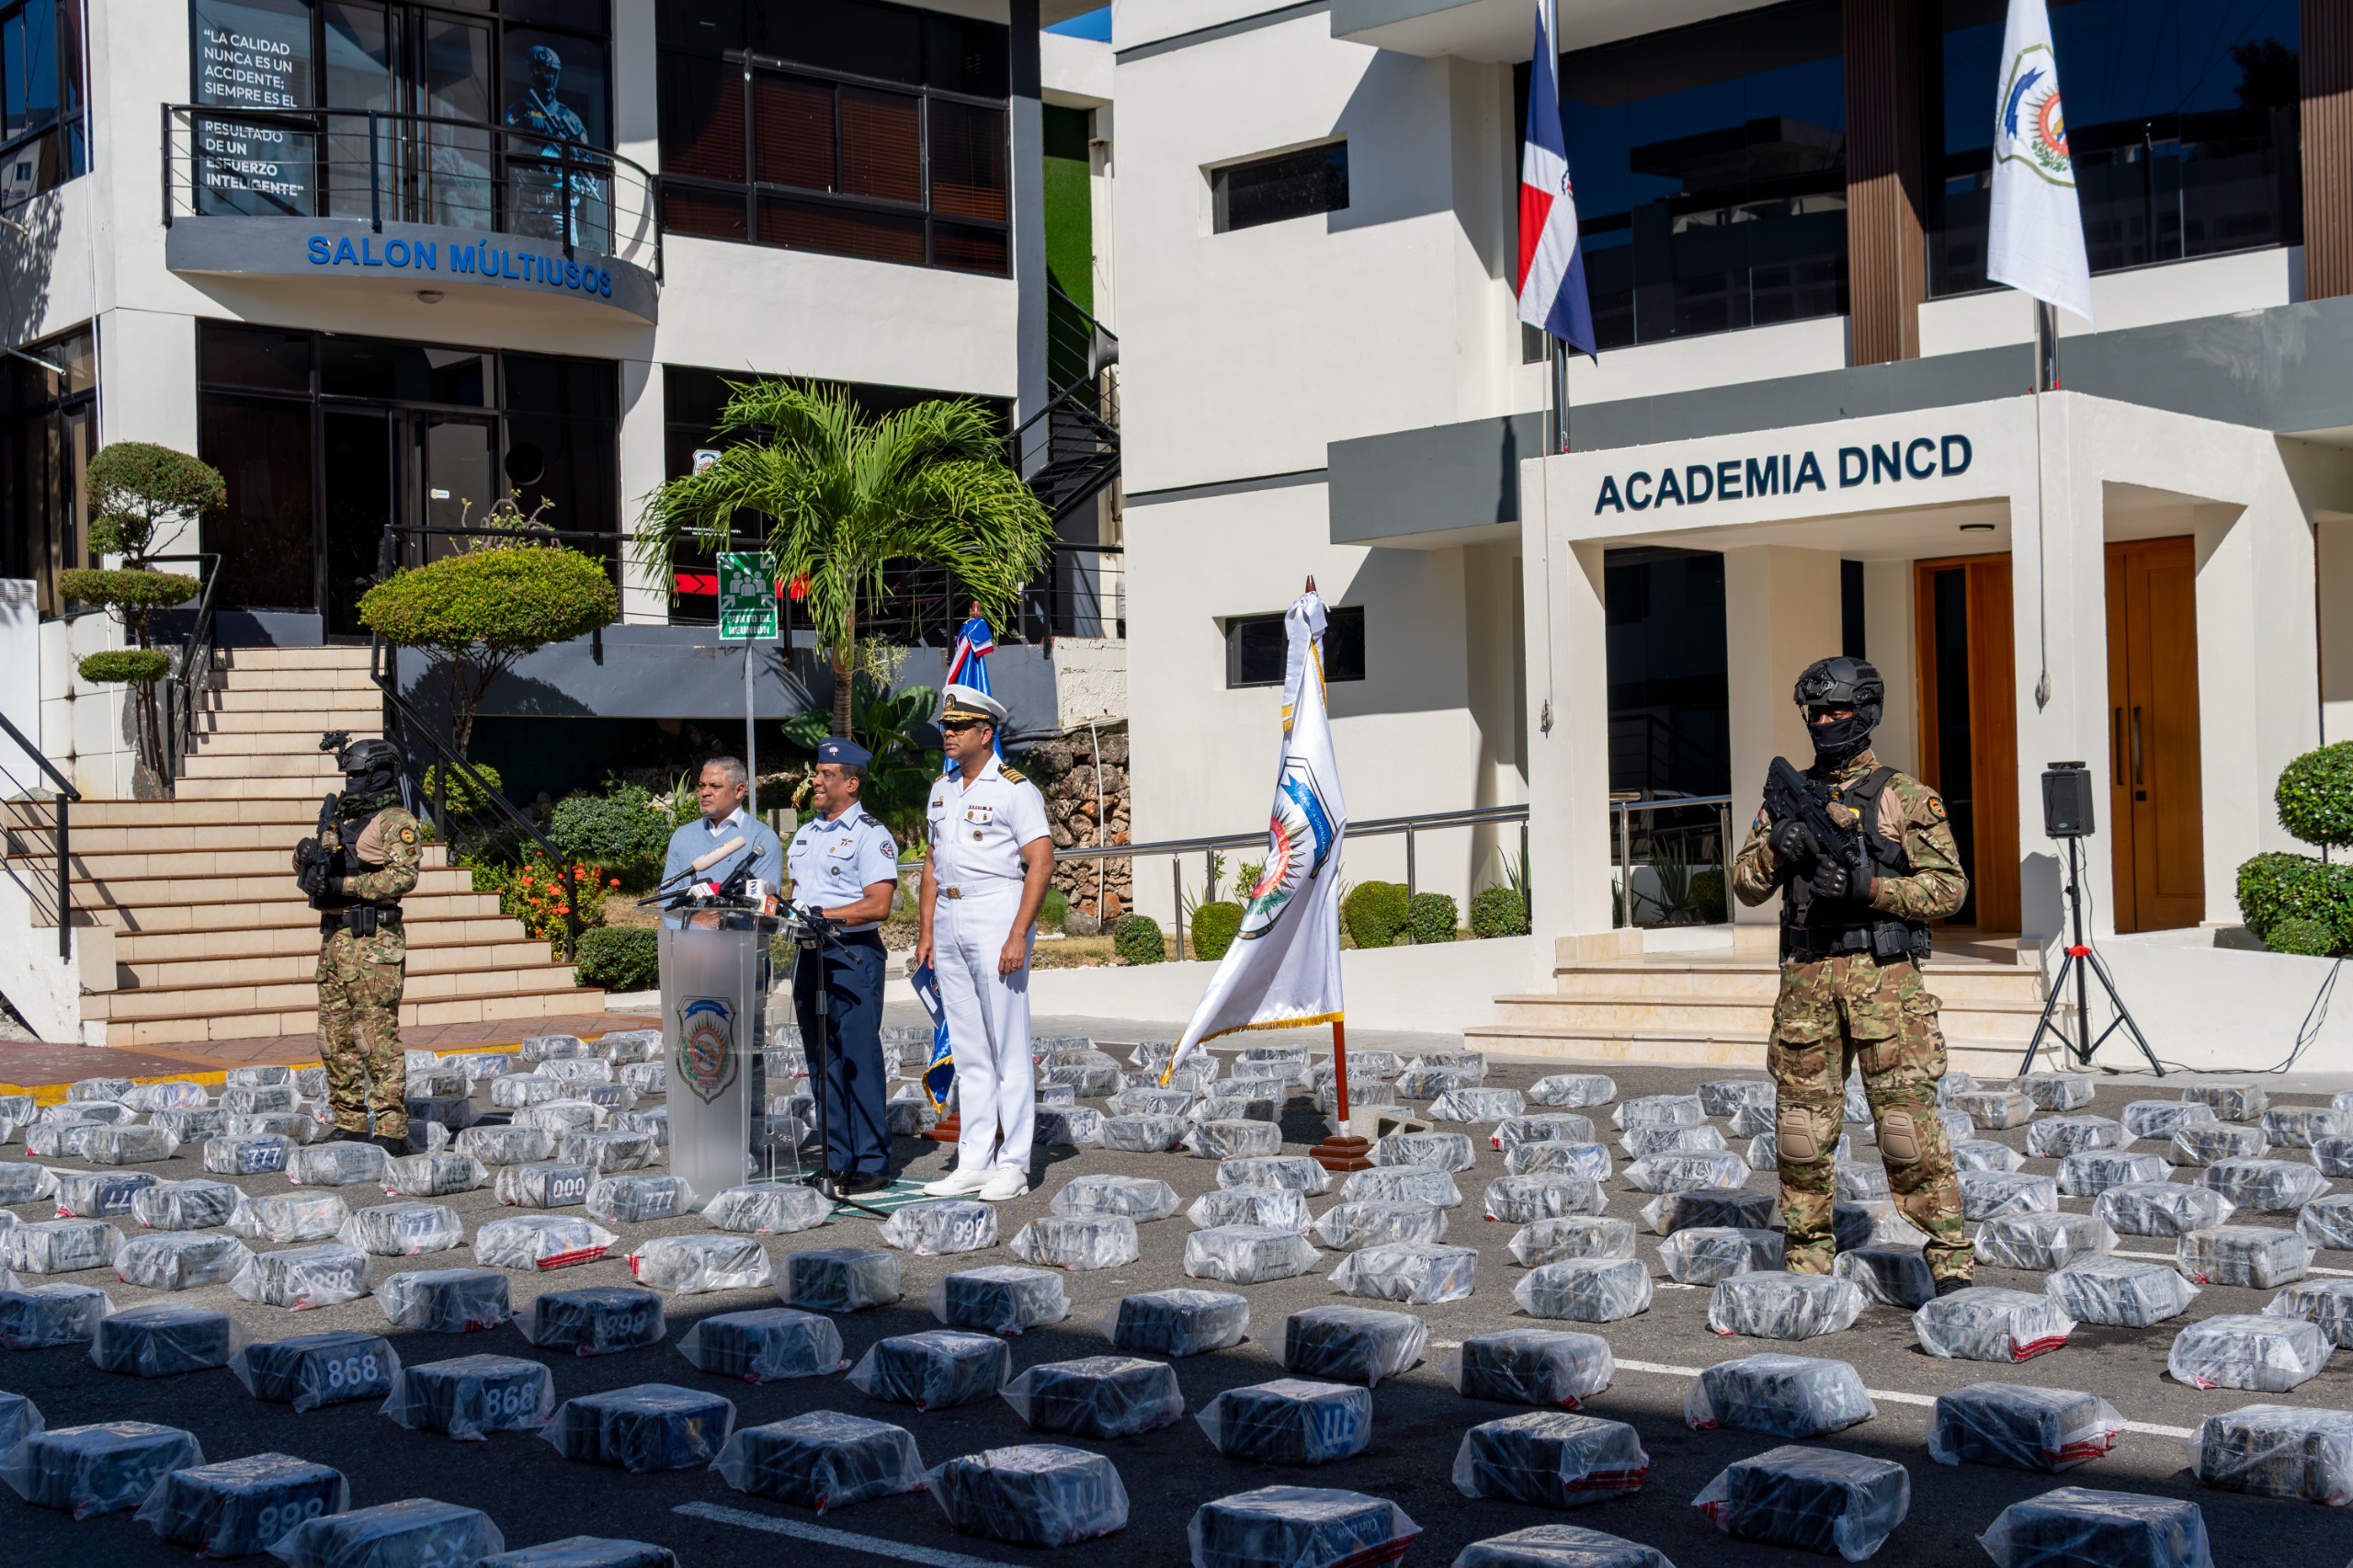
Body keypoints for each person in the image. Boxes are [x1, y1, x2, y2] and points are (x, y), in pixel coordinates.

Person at [1730, 655, 1974, 1295]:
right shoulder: (1787, 799)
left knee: (1906, 1132)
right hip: (1808, 983)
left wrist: (1871, 887)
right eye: (1816, 712)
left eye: (1838, 711)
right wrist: (1776, 850)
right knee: (1802, 1135)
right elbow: (1745, 885)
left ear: (1865, 713)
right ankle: (1806, 1260)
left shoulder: (1906, 796)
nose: (1825, 722)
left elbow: (1949, 890)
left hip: (1885, 984)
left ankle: (1949, 1258)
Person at [918, 684, 1053, 1201]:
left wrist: (1019, 931)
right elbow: (932, 862)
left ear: (985, 733)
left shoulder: (1015, 789)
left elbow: (1041, 861)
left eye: (957, 727)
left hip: (997, 907)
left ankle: (1014, 1163)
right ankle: (975, 1158)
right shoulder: (941, 789)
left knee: (1007, 1046)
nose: (947, 733)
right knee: (970, 1046)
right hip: (950, 912)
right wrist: (927, 929)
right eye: (945, 726)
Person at [784, 737, 900, 1196]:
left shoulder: (872, 834)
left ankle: (872, 1161)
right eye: (816, 773)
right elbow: (796, 894)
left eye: (826, 775)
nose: (816, 780)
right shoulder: (806, 833)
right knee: (821, 1060)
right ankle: (837, 1159)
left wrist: (822, 916)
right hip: (809, 954)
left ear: (851, 783)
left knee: (857, 1059)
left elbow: (878, 905)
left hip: (851, 954)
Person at [296, 737, 422, 1154]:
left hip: (373, 941)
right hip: (334, 939)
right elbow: (321, 866)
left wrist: (343, 884)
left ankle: (391, 1127)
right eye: (346, 774)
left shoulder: (394, 820)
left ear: (379, 774)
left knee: (375, 1037)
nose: (350, 782)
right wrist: (305, 860)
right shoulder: (338, 818)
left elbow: (402, 878)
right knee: (332, 1038)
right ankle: (348, 1120)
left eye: (357, 774)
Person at [659, 756, 785, 928]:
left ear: (739, 791)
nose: (704, 792)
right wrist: (695, 923)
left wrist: (714, 924)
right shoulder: (682, 835)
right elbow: (668, 900)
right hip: (687, 949)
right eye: (702, 786)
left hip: (739, 951)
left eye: (715, 786)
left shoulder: (761, 838)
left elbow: (762, 910)